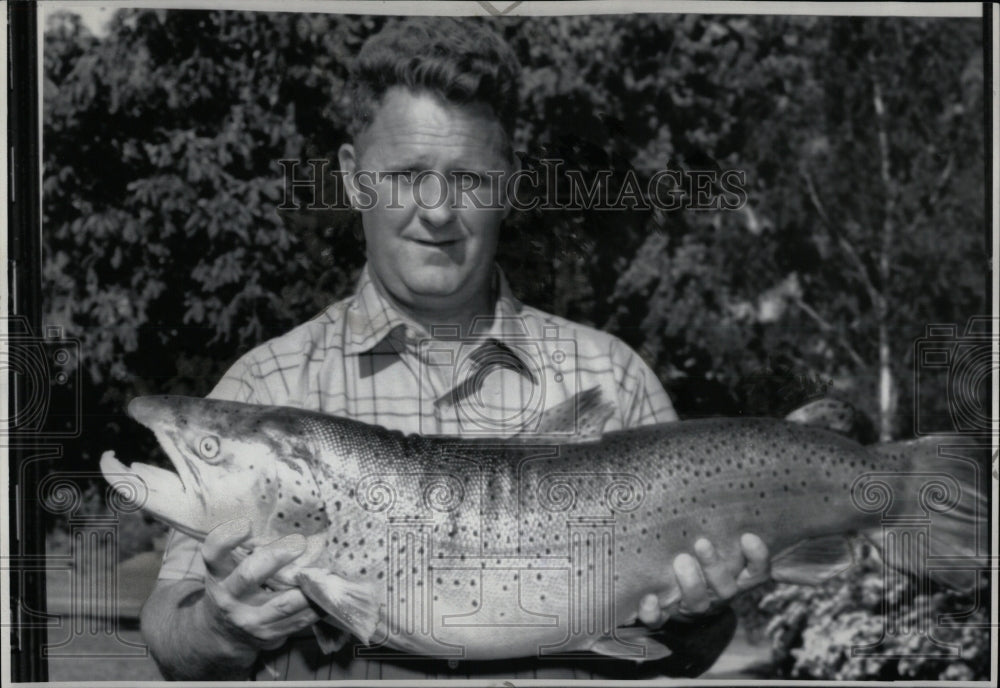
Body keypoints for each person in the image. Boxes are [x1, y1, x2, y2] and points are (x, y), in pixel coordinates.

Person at [139, 16, 771, 681]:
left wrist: (697, 614)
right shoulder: (262, 385)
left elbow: (683, 656)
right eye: (408, 175)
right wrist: (218, 624)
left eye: (468, 179)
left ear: (509, 183)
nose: (437, 210)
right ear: (355, 179)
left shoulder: (615, 377)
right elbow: (169, 635)